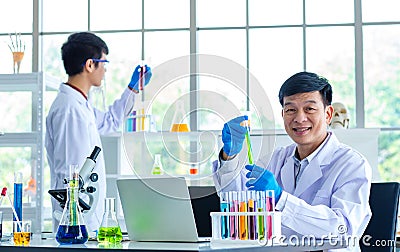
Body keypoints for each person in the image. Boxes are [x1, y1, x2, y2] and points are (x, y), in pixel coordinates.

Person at [212, 72, 371, 251]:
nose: (299, 118)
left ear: (328, 114)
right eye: (291, 110)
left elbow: (343, 230)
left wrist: (281, 199)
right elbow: (237, 203)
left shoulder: (352, 164)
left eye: (309, 109)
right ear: (283, 114)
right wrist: (229, 156)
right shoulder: (276, 160)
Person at [45, 32, 152, 234]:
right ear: (89, 65)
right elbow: (70, 172)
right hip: (76, 223)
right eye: (103, 63)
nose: (104, 70)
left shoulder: (81, 105)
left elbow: (110, 122)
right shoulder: (69, 109)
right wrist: (78, 221)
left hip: (86, 218)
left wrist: (133, 89)